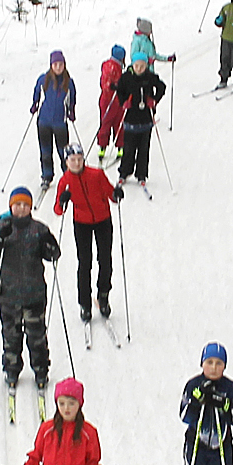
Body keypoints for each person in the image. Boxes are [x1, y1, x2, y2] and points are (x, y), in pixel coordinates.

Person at [0, 185, 61, 414]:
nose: (22, 208)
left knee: (37, 336)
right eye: (18, 205)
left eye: (25, 205)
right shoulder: (1, 227)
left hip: (34, 294)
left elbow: (53, 253)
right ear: (11, 206)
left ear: (30, 207)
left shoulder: (39, 229)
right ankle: (12, 370)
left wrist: (51, 247)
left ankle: (41, 370)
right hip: (8, 296)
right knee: (11, 336)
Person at [53, 145, 116, 322]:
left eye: (79, 159)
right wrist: (62, 201)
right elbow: (58, 210)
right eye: (72, 160)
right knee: (84, 262)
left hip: (103, 219)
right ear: (66, 162)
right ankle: (85, 304)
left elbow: (111, 193)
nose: (76, 163)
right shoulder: (65, 181)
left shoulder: (96, 174)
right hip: (81, 223)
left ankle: (103, 296)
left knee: (105, 259)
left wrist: (117, 194)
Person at [113, 56, 167, 187]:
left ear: (146, 66)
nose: (139, 69)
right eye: (137, 66)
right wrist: (123, 102)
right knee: (129, 148)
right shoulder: (126, 77)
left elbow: (162, 87)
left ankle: (141, 174)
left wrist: (154, 100)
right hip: (130, 119)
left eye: (142, 66)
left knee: (144, 150)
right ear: (132, 65)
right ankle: (124, 173)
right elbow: (119, 90)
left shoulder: (150, 77)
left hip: (146, 119)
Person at [29, 51, 77, 188]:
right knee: (45, 150)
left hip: (59, 122)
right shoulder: (43, 79)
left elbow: (72, 98)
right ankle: (46, 176)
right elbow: (37, 93)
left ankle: (68, 175)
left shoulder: (68, 82)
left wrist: (71, 111)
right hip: (43, 121)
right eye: (55, 64)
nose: (58, 67)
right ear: (51, 65)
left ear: (64, 65)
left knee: (63, 151)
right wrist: (34, 104)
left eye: (60, 64)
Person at [95, 45, 127, 162]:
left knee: (116, 123)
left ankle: (117, 146)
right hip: (110, 101)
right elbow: (105, 83)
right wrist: (113, 86)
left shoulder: (115, 66)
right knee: (108, 123)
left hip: (117, 101)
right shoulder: (111, 67)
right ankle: (105, 146)